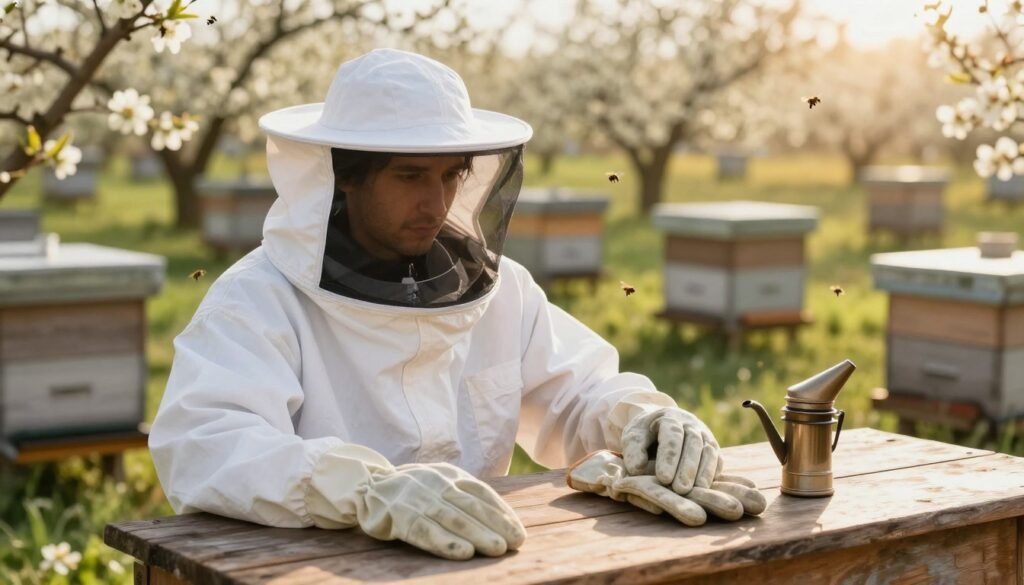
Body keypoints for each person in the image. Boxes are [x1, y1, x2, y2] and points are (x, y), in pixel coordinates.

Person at [149, 48, 761, 562]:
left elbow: (575, 394)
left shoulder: (503, 291)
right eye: (411, 176)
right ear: (348, 176)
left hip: (478, 565)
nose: (437, 201)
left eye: (451, 176)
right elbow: (205, 444)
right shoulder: (259, 300)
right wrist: (362, 490)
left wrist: (639, 418)